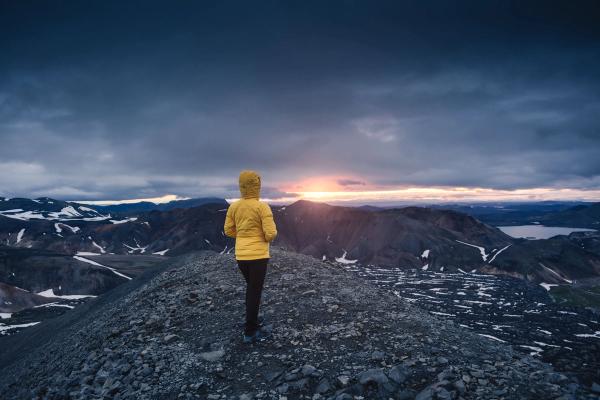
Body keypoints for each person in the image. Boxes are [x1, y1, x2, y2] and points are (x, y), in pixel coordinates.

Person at [224, 170, 278, 343]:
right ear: (257, 186)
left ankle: (251, 320)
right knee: (255, 291)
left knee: (251, 288)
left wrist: (243, 236)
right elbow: (271, 234)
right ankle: (250, 332)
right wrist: (259, 237)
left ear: (241, 186)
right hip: (259, 256)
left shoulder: (234, 207)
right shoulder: (262, 207)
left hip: (241, 256)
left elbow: (228, 230)